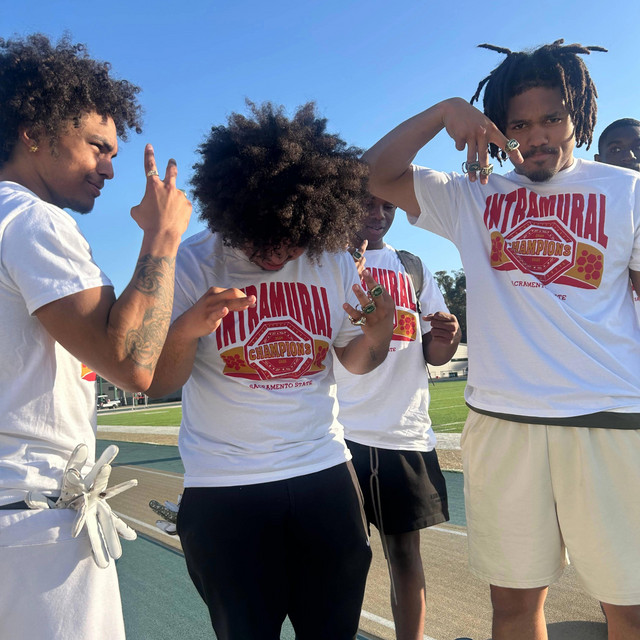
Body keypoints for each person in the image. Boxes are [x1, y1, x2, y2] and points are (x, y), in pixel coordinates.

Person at [363, 39, 640, 640]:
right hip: (504, 422)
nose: (537, 137)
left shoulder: (627, 191)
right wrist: (443, 111)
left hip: (611, 421)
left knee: (631, 608)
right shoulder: (472, 196)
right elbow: (372, 174)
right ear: (497, 128)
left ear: (578, 117)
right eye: (520, 124)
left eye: (552, 119)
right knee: (513, 607)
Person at [147, 101, 396, 640]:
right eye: (260, 238)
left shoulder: (331, 260)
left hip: (323, 473)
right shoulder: (192, 263)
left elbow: (355, 362)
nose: (278, 253)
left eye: (293, 239)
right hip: (224, 486)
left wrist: (378, 335)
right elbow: (160, 382)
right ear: (230, 215)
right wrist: (187, 329)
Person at [0, 34, 195, 639]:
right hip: (33, 518)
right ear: (35, 134)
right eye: (96, 147)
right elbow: (132, 363)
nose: (109, 167)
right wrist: (162, 235)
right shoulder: (30, 219)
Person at [334, 195, 460, 640]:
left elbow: (435, 354)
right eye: (367, 204)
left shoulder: (412, 267)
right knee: (341, 560)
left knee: (405, 556)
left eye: (387, 207)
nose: (378, 215)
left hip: (404, 434)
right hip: (337, 437)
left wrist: (448, 336)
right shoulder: (324, 263)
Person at [595, 118, 640, 320]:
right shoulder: (588, 217)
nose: (629, 156)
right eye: (616, 149)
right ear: (598, 161)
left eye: (638, 147)